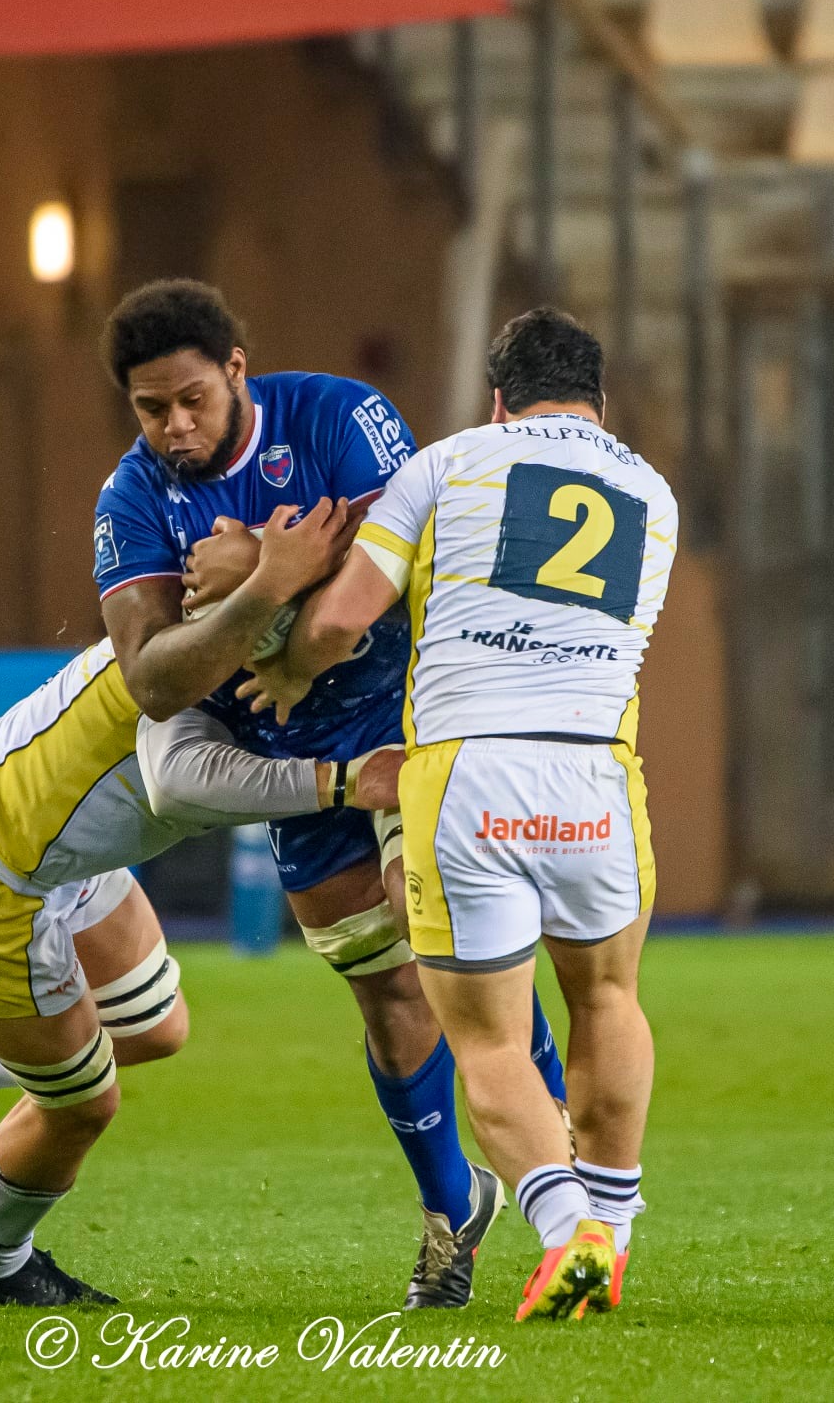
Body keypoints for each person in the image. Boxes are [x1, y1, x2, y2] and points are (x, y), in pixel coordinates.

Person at [91, 278, 569, 1309]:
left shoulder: (335, 415)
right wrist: (270, 578)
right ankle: (452, 1209)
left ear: (235, 369)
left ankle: (558, 1171)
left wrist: (255, 571)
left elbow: (410, 554)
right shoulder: (131, 499)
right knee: (386, 991)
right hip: (294, 754)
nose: (175, 427)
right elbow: (153, 678)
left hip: (411, 710)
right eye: (150, 408)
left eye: (191, 399)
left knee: (439, 925)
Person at [242, 306, 677, 1322]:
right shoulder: (651, 492)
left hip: (467, 775)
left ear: (497, 400)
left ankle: (566, 1230)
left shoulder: (445, 463)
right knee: (607, 1000)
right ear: (598, 400)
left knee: (486, 1037)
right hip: (595, 772)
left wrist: (288, 670)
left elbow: (342, 618)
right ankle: (611, 1231)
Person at [0, 501, 355, 1308]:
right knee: (82, 1103)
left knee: (153, 1027)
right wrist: (341, 782)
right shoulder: (221, 647)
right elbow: (181, 780)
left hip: (23, 821)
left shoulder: (229, 617)